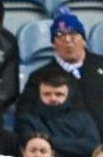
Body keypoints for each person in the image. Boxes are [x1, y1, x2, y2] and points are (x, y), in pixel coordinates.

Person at [17, 9, 103, 138]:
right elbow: (25, 115)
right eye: (60, 35)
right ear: (53, 43)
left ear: (84, 39)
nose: (68, 40)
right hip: (66, 148)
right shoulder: (39, 76)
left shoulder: (100, 64)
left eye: (73, 34)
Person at [16, 68, 99, 157]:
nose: (53, 98)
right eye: (47, 94)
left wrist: (49, 140)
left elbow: (91, 146)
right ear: (39, 94)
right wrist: (74, 148)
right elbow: (32, 148)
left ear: (68, 95)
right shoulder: (28, 120)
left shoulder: (83, 119)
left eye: (59, 94)